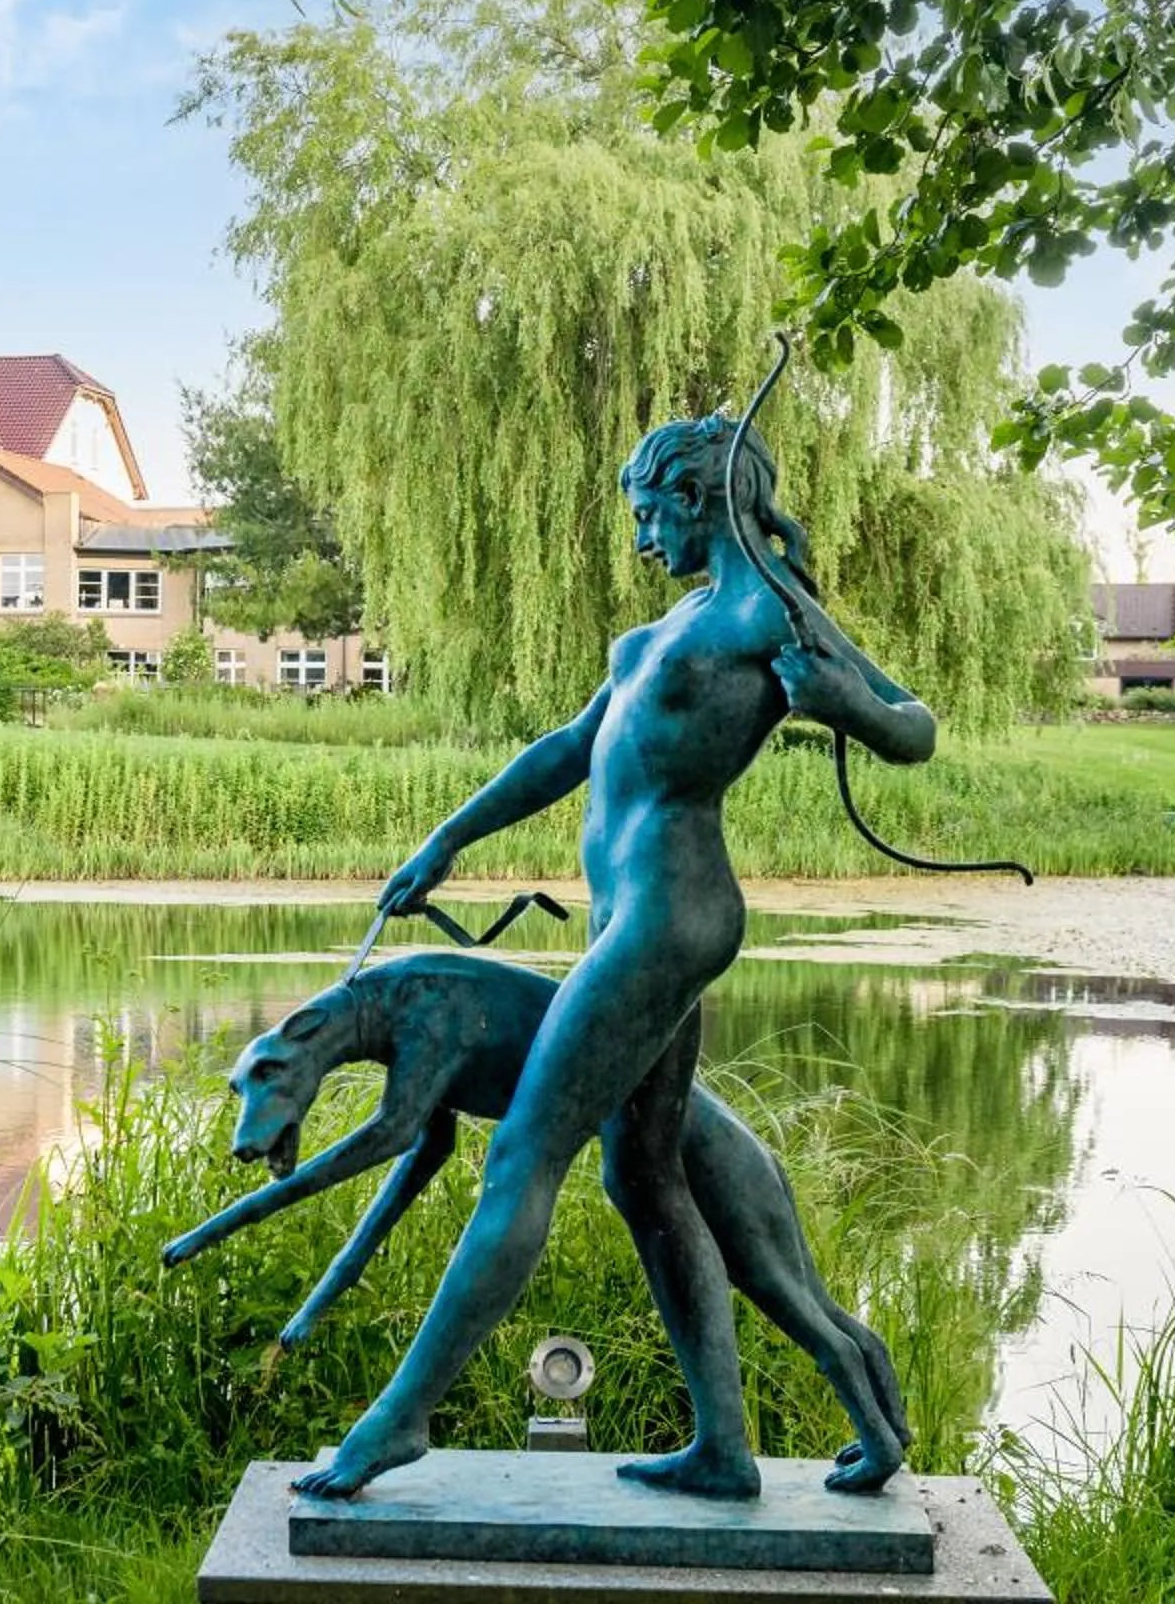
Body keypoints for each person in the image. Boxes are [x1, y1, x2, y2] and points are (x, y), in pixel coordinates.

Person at [294, 413, 936, 1503]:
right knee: (642, 1174)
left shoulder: (765, 609)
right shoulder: (670, 626)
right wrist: (447, 838)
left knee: (523, 1155)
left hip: (668, 921)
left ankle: (398, 1419)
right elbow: (566, 749)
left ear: (700, 497)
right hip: (628, 921)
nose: (642, 534)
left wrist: (839, 702)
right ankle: (725, 1448)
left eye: (650, 510)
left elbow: (913, 726)